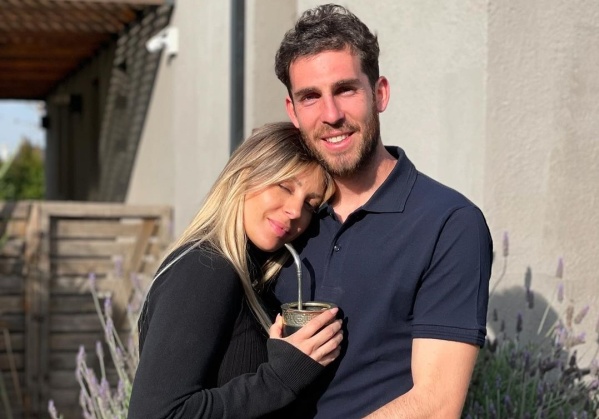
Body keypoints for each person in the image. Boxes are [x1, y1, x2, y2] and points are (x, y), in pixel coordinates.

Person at [272, 4, 493, 418]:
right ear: (293, 112)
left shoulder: (448, 224)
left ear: (379, 93)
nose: (331, 115)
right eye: (311, 97)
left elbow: (436, 404)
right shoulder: (282, 218)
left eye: (346, 89)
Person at [127, 122, 344, 419]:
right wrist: (280, 378)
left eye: (310, 204)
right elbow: (157, 414)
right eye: (284, 186)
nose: (295, 211)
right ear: (244, 175)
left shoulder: (251, 276)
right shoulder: (205, 268)